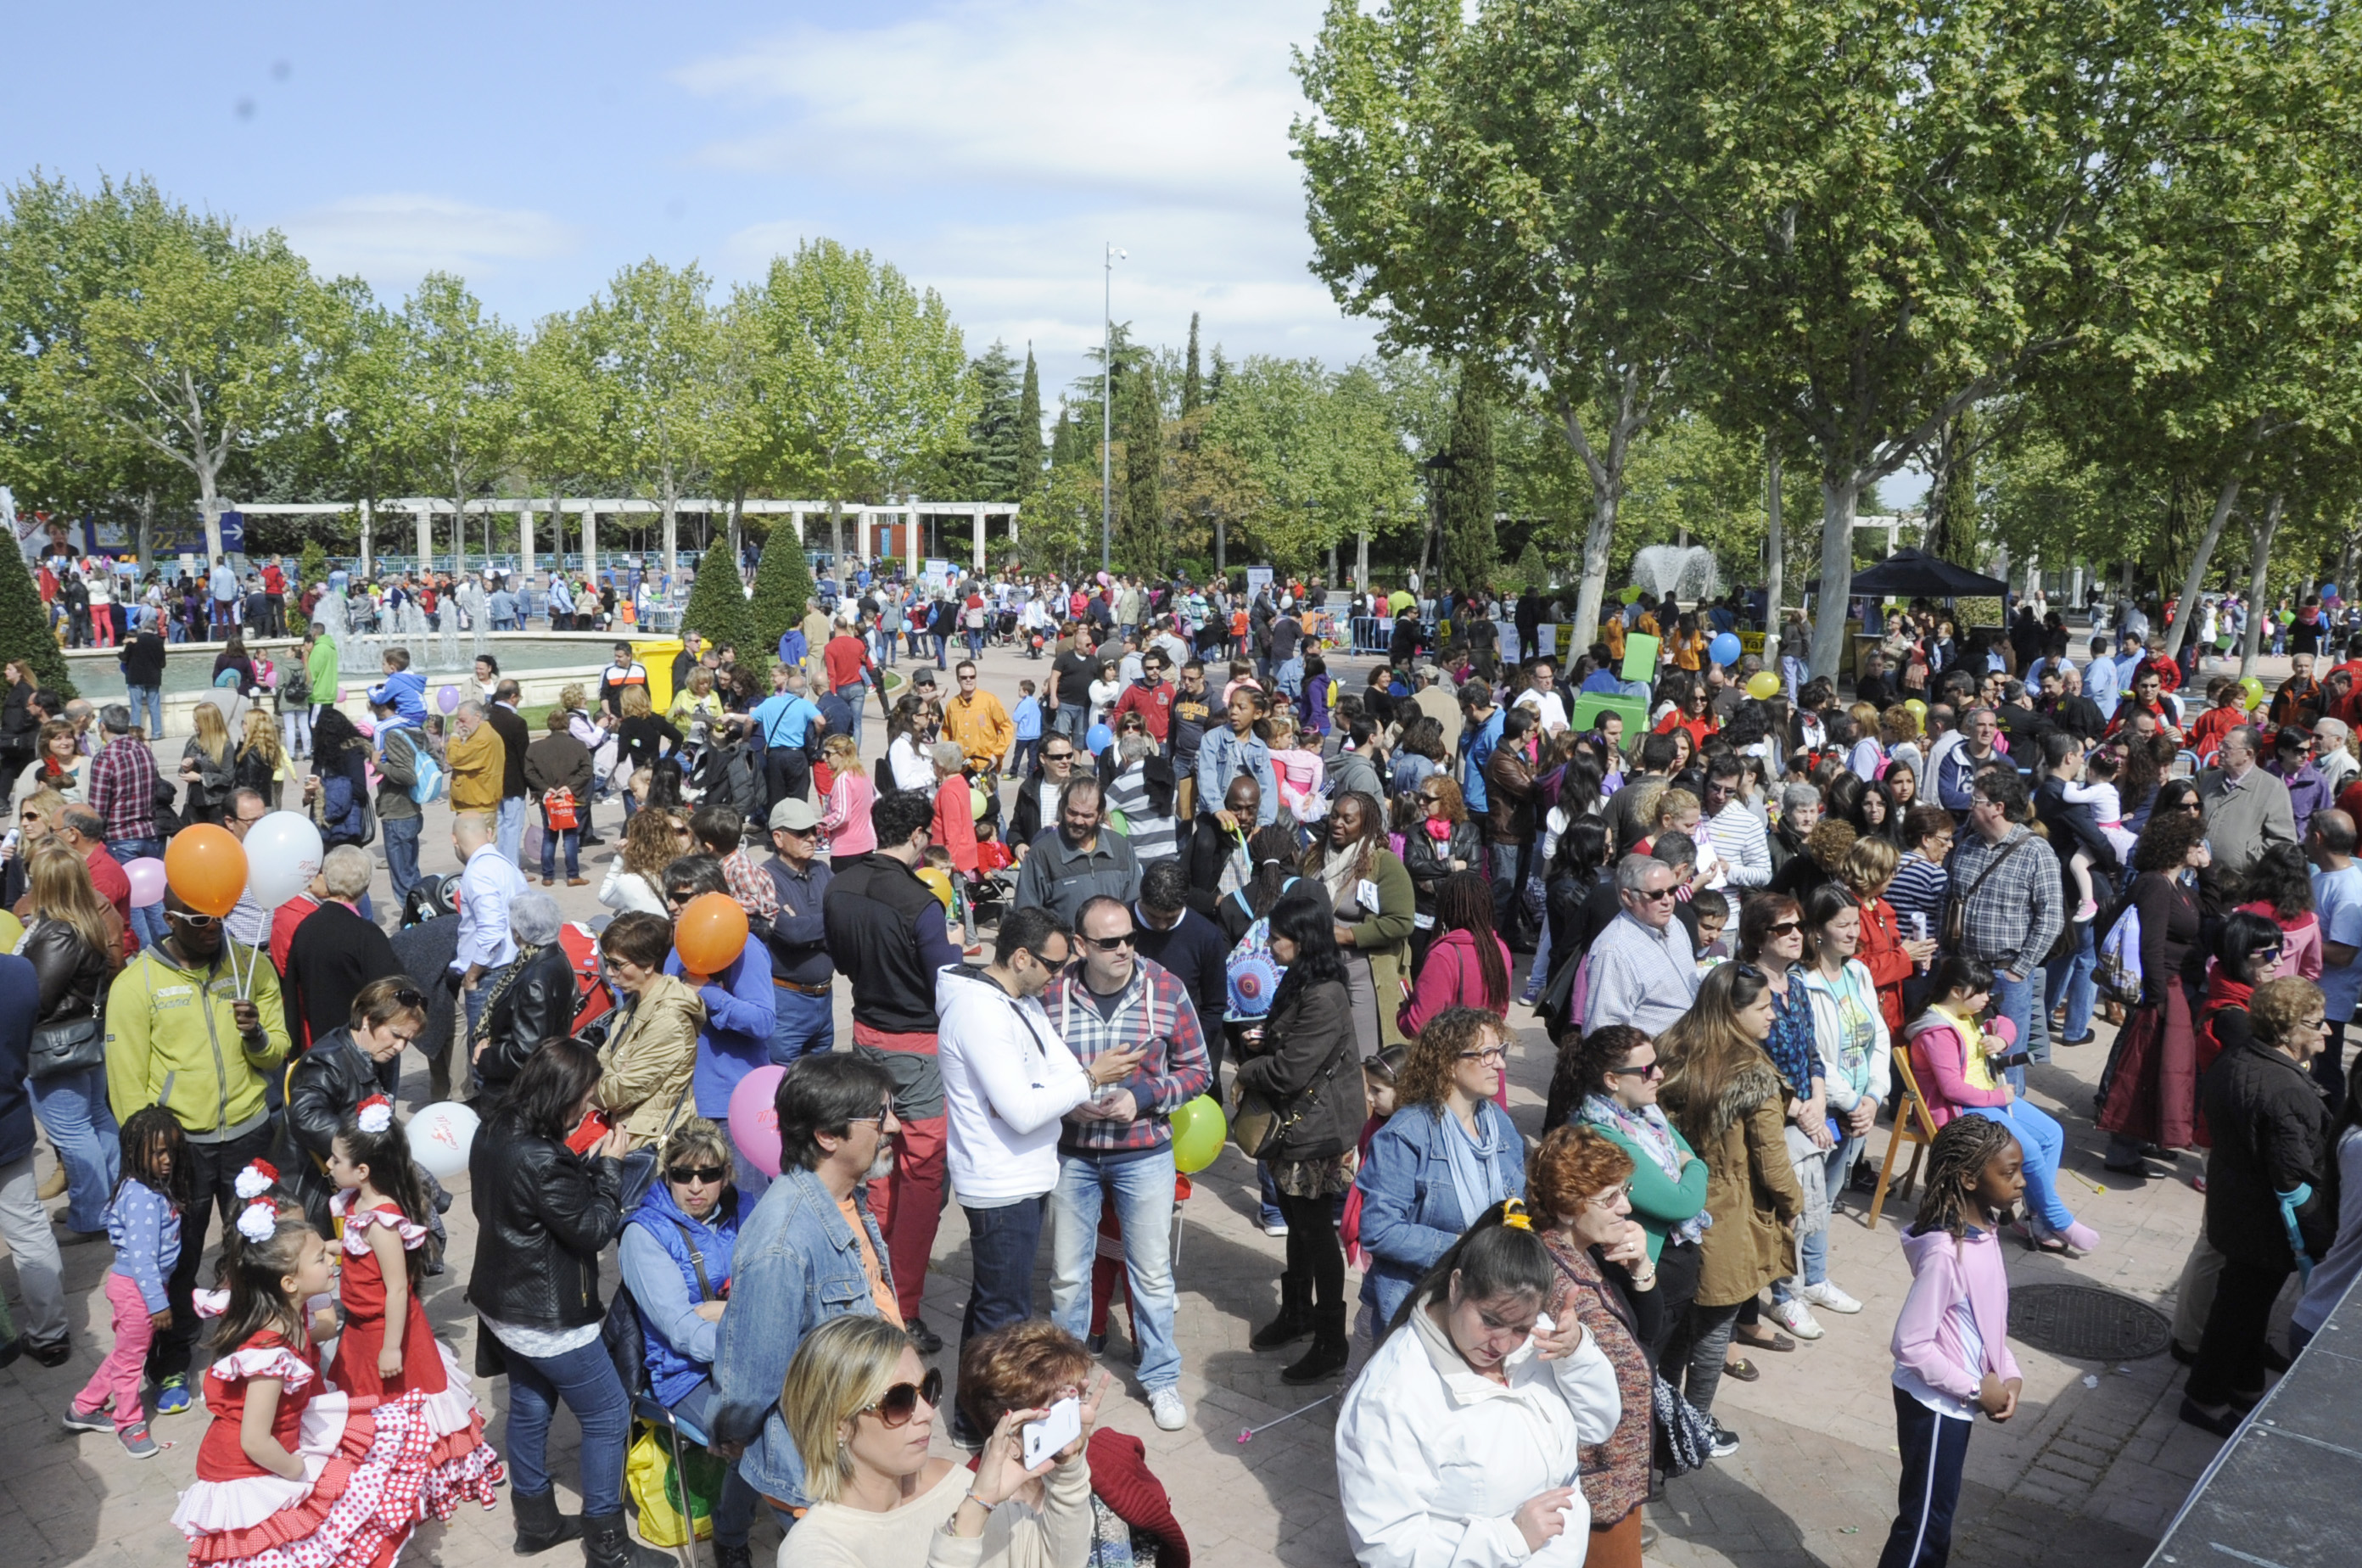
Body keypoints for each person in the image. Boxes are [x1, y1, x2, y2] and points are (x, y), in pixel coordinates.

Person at [168, 1192, 465, 1568]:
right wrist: (300, 1473)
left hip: (278, 1447)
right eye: (319, 1258)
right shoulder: (268, 1354)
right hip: (248, 1471)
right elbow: (255, 1439)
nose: (331, 1258)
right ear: (290, 1283)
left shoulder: (290, 1319)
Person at [1335, 1198, 1622, 1568]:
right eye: (1490, 1321)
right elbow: (1386, 1544)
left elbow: (1598, 1424)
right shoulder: (1392, 1396)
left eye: (1520, 1327)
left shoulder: (1540, 1338)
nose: (1501, 1345)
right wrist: (1510, 1539)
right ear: (1456, 1287)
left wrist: (1577, 1355)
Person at [466, 1039, 667, 1566]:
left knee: (531, 1403)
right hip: (547, 1315)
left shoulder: (492, 1127)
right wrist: (610, 1167)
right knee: (607, 1414)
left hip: (502, 1300)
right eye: (588, 1095)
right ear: (566, 1093)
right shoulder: (541, 1158)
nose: (591, 1105)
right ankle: (608, 1546)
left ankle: (536, 1522)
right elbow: (594, 1230)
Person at [104, 889, 291, 1413]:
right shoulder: (135, 983)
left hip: (251, 1133)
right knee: (177, 1260)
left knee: (257, 1250)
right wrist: (152, 1159)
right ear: (169, 919)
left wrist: (256, 1037)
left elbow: (277, 1051)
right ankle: (169, 1363)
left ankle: (260, 1346)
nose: (215, 928)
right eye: (201, 920)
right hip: (181, 1150)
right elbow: (127, 1087)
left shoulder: (249, 965)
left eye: (221, 917)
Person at [1039, 896, 1212, 1432]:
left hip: (1144, 1152)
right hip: (1074, 1152)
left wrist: (1147, 1096)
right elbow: (1029, 1069)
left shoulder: (1166, 988)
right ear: (1081, 946)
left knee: (1153, 1274)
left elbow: (1199, 1070)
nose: (1124, 950)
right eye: (1109, 942)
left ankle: (1160, 1379)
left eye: (1130, 939)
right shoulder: (1051, 993)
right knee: (1068, 1276)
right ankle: (1066, 1387)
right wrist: (1071, 1096)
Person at [712, 1052, 901, 1515]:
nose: (894, 1126)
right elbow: (751, 1381)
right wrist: (729, 1434)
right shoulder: (781, 1242)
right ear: (828, 1136)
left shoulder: (848, 1199)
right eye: (880, 1116)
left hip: (868, 1457)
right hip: (823, 1479)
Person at [778, 1315, 1101, 1567]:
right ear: (839, 1426)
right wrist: (972, 1514)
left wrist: (1067, 1468)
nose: (927, 1413)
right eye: (899, 1401)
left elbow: (1056, 1561)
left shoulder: (950, 1482)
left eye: (927, 1388)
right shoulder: (814, 1551)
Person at [824, 789, 961, 1345]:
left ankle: (868, 1286)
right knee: (922, 1175)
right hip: (919, 1045)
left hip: (864, 1034)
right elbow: (947, 986)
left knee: (876, 1165)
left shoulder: (838, 888)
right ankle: (902, 1305)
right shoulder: (921, 903)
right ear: (921, 836)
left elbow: (841, 961)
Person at [936, 907, 1105, 1358]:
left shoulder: (1021, 1003)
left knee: (992, 1304)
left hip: (1026, 1174)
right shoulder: (979, 1012)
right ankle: (991, 1419)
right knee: (1005, 1317)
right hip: (999, 1184)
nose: (1059, 976)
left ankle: (973, 1420)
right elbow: (1024, 1112)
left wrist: (1073, 1087)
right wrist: (1087, 1082)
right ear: (1021, 958)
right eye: (1053, 965)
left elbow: (1060, 1067)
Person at [1655, 962, 1805, 1454]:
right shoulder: (1754, 1075)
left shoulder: (1669, 1049)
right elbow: (1772, 1159)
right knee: (1714, 1332)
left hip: (1670, 1207)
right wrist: (1793, 1205)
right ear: (1732, 1010)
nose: (1773, 1015)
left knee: (1675, 1324)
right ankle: (1694, 1428)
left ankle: (1662, 1425)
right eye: (1762, 1007)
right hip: (1728, 1216)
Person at [322, 1096, 504, 1493]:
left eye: (337, 1160)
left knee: (403, 1405)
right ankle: (385, 1473)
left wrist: (391, 1348)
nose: (330, 1166)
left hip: (387, 1331)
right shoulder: (356, 1204)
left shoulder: (384, 1221)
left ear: (364, 1170)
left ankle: (419, 1479)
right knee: (370, 1404)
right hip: (360, 1328)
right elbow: (356, 1251)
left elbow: (397, 1287)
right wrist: (326, 1249)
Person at [2181, 977, 2334, 1436]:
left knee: (2247, 1303)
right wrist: (2319, 1236)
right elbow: (2293, 1176)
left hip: (2233, 1207)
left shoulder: (2237, 1059)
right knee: (2238, 1309)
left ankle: (2244, 1386)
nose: (2328, 1032)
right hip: (2265, 1222)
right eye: (2318, 1024)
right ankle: (2204, 1398)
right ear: (2287, 1031)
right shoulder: (2287, 1090)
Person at [1875, 1116, 2027, 1568]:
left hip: (1958, 1400)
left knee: (1936, 1519)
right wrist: (1979, 1389)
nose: (2020, 1182)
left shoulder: (1985, 1237)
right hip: (1936, 1407)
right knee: (1923, 1526)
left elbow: (1987, 1323)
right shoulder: (1946, 1253)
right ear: (1968, 1178)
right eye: (2009, 1172)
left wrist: (2011, 1373)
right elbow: (1910, 1345)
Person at [1234, 889, 1370, 1383]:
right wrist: (1263, 1038)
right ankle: (1296, 1313)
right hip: (1294, 1126)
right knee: (1297, 1224)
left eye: (1278, 939)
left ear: (1304, 940)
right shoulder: (1300, 978)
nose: (1270, 947)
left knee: (1316, 1233)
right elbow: (1288, 1045)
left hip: (1315, 1131)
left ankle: (1331, 1338)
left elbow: (1292, 1071)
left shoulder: (1327, 993)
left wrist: (1250, 1067)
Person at [615, 1117, 761, 1565]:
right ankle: (730, 1536)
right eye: (682, 1174)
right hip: (684, 1374)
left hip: (744, 1347)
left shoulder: (748, 1208)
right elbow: (680, 1329)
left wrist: (726, 1313)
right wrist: (750, 1336)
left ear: (727, 1175)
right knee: (754, 1436)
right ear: (667, 1174)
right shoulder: (645, 1235)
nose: (696, 1186)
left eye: (709, 1174)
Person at [955, 1319, 1191, 1565]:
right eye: (1058, 1406)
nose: (1076, 1413)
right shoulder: (974, 1506)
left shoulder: (1109, 1459)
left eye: (1077, 1395)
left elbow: (1153, 1539)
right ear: (1012, 1432)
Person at [1531, 1126, 1661, 1568]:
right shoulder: (1550, 1279)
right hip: (1589, 1485)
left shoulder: (1593, 1251)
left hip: (1616, 1476)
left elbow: (1646, 1333)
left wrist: (1641, 1267)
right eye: (1609, 1198)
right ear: (1567, 1206)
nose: (1625, 1207)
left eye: (1624, 1191)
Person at [1356, 1005, 1526, 1337]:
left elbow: (1519, 1207)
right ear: (1449, 1063)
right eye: (1487, 1054)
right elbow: (1379, 1229)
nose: (1501, 1064)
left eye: (1500, 1052)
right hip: (1420, 1307)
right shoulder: (1407, 1134)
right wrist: (1462, 1247)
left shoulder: (1500, 1127)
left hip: (1489, 1301)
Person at [1786, 882, 1894, 1318]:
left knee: (1827, 1198)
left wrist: (1873, 1096)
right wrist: (1851, 1101)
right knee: (1801, 1201)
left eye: (1856, 923)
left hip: (1858, 1109)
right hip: (1820, 1108)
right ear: (1817, 930)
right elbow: (1812, 1053)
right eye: (1843, 925)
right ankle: (1787, 1289)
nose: (1854, 933)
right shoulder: (1801, 982)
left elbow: (1879, 1037)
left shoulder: (1859, 973)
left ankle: (1815, 1279)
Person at [59, 1106, 185, 1455]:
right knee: (131, 1364)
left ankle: (84, 1408)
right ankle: (129, 1424)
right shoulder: (143, 1198)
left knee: (125, 1354)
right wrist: (157, 1304)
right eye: (157, 1152)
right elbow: (143, 1258)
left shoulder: (141, 1188)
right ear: (134, 1152)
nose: (166, 1161)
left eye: (170, 1152)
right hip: (139, 1292)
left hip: (136, 1289)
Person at [20, 840, 126, 1244]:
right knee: (97, 1120)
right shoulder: (85, 921)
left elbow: (38, 996)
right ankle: (110, 1202)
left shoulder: (57, 933)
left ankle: (90, 1214)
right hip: (83, 1038)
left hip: (55, 1045)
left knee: (73, 1132)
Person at [2099, 802, 2211, 1172]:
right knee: (2143, 1068)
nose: (2201, 848)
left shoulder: (2175, 884)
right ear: (2177, 846)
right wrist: (2160, 997)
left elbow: (2209, 913)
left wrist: (2208, 872)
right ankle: (2123, 1148)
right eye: (2195, 842)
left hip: (2172, 987)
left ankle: (2144, 1138)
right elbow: (2151, 945)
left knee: (2160, 1069)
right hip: (2161, 990)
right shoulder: (2155, 884)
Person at [281, 977, 430, 1233]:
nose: (400, 1047)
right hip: (317, 1190)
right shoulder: (328, 1060)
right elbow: (306, 1116)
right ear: (367, 1019)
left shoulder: (374, 1053)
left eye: (407, 1040)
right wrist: (368, 1147)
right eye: (396, 1035)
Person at [1946, 769, 2063, 1091]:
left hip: (2005, 977)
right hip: (1965, 973)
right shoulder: (1967, 846)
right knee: (1964, 1055)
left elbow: (2051, 918)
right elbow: (1948, 902)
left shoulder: (2037, 852)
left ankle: (2011, 1133)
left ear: (1997, 807)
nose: (1970, 806)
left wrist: (2018, 970)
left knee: (2006, 1062)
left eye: (1977, 800)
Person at [588, 910, 706, 1206]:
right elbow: (601, 1063)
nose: (609, 972)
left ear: (649, 964)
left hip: (653, 1149)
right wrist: (605, 1073)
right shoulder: (636, 1003)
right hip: (631, 1133)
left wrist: (593, 1082)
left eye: (617, 964)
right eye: (606, 962)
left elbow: (619, 1092)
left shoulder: (668, 1019)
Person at [1582, 854, 1702, 1036]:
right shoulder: (1614, 952)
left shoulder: (1675, 924)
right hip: (1657, 1060)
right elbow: (1603, 1031)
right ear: (1629, 897)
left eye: (1672, 891)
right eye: (1657, 894)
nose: (1668, 901)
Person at [1011, 775, 1143, 926]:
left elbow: (1134, 909)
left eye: (1087, 815)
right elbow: (1025, 918)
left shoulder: (1122, 849)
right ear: (1062, 808)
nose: (1078, 821)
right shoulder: (1041, 855)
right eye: (1072, 813)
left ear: (1100, 815)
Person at [1398, 869, 1513, 1039]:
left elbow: (1417, 1026)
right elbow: (1501, 1011)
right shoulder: (1501, 948)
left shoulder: (1444, 955)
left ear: (1447, 907)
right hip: (1488, 1055)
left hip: (1451, 1060)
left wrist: (1404, 1012)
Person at [450, 810, 529, 1042]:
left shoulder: (477, 873)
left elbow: (492, 931)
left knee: (482, 1057)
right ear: (490, 833)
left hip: (490, 975)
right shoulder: (507, 866)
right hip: (514, 966)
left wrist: (472, 975)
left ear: (454, 839)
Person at [2197, 724, 2298, 882]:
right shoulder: (2209, 780)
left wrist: (2249, 859)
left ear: (2248, 754)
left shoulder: (2272, 788)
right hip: (2203, 876)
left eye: (2227, 746)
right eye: (2221, 744)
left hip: (2243, 883)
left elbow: (2284, 840)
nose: (2220, 750)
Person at [525, 709, 595, 888]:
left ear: (549, 725)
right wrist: (570, 787)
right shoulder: (578, 746)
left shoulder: (535, 748)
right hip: (572, 798)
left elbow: (529, 772)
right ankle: (573, 875)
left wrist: (544, 789)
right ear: (567, 724)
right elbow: (587, 770)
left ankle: (547, 876)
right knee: (571, 836)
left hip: (548, 799)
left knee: (550, 835)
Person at [600, 806, 676, 917]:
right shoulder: (682, 867)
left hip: (647, 931)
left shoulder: (630, 880)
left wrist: (620, 858)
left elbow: (605, 897)